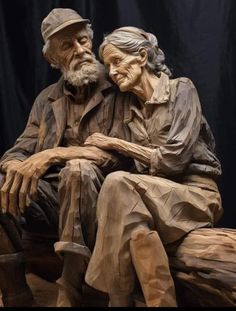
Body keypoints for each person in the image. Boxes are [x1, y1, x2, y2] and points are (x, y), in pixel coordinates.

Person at [0, 9, 134, 307]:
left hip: (104, 197)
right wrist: (15, 169)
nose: (80, 50)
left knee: (78, 170)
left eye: (82, 40)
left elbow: (123, 153)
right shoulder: (46, 98)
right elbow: (19, 151)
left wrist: (53, 154)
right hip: (52, 199)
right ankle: (16, 294)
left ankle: (71, 289)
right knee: (1, 182)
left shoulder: (120, 88)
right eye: (67, 45)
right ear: (52, 59)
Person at [84, 26, 223, 307]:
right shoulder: (128, 110)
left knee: (118, 183)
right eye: (108, 65)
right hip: (153, 199)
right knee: (134, 226)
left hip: (195, 195)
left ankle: (117, 301)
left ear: (142, 56)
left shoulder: (181, 90)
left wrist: (119, 144)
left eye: (117, 61)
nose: (111, 72)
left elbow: (174, 159)